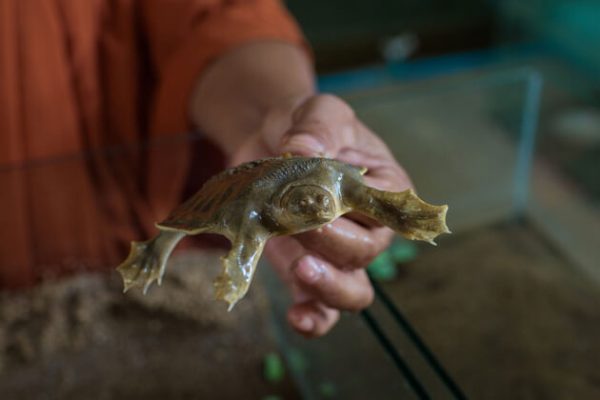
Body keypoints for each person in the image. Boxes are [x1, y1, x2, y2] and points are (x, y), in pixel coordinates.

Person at [0, 0, 412, 337]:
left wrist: (280, 113)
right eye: (310, 201)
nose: (314, 208)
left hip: (165, 248)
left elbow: (218, 16)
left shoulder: (320, 177)